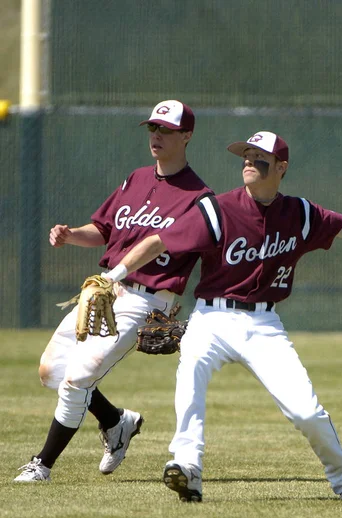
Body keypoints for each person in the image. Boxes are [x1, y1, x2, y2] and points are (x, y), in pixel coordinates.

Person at [104, 130, 342, 502]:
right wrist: (114, 274)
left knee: (306, 413)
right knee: (190, 378)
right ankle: (187, 466)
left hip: (264, 325)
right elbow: (160, 240)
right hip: (211, 318)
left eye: (259, 159)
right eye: (245, 157)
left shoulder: (300, 213)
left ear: (280, 167)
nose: (248, 164)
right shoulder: (216, 209)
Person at [14, 100, 213, 482]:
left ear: (187, 136)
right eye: (153, 128)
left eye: (167, 130)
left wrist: (185, 310)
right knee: (51, 371)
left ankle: (42, 464)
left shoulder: (199, 198)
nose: (157, 135)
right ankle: (116, 421)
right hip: (106, 290)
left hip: (147, 299)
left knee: (78, 377)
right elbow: (104, 230)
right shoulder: (136, 179)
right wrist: (72, 235)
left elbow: (205, 257)